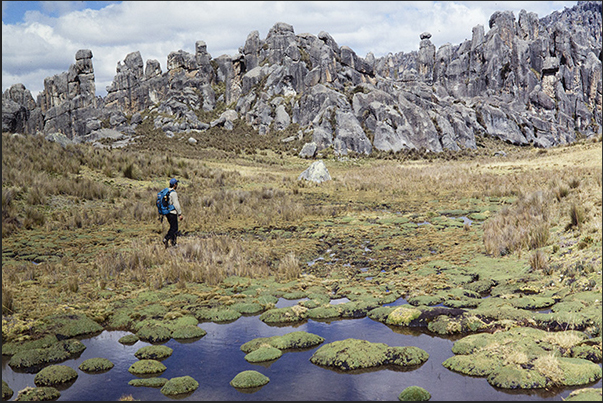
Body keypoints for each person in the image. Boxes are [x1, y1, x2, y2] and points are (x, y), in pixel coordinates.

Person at [163, 178, 183, 248]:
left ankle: (172, 242)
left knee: (172, 227)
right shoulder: (173, 193)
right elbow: (176, 204)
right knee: (174, 228)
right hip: (172, 213)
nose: (177, 185)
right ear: (174, 185)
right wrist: (180, 214)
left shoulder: (167, 191)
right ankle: (168, 239)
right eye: (176, 184)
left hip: (167, 212)